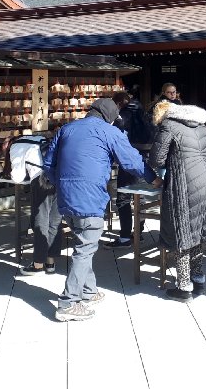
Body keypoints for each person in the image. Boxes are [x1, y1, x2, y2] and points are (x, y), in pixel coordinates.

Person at [44, 98, 153, 322]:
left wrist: (62, 183)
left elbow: (48, 164)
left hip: (65, 196)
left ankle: (89, 291)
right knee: (85, 248)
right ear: (110, 117)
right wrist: (153, 178)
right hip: (89, 197)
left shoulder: (66, 129)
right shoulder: (108, 131)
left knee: (83, 243)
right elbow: (131, 161)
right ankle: (69, 302)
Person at [149, 100, 206, 302]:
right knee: (197, 233)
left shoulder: (169, 125)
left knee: (182, 235)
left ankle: (184, 286)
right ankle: (198, 279)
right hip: (205, 182)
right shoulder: (202, 126)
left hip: (184, 185)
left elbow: (156, 159)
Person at [5, 135, 63, 275]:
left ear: (7, 145)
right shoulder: (38, 139)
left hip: (41, 179)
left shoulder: (15, 147)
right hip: (59, 176)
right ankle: (50, 263)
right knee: (55, 221)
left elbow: (17, 177)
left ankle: (37, 264)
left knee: (41, 220)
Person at [107, 89, 153, 249]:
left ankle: (125, 237)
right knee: (140, 197)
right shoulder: (142, 111)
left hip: (129, 160)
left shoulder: (122, 116)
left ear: (119, 103)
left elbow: (117, 139)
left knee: (123, 198)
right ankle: (138, 234)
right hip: (145, 158)